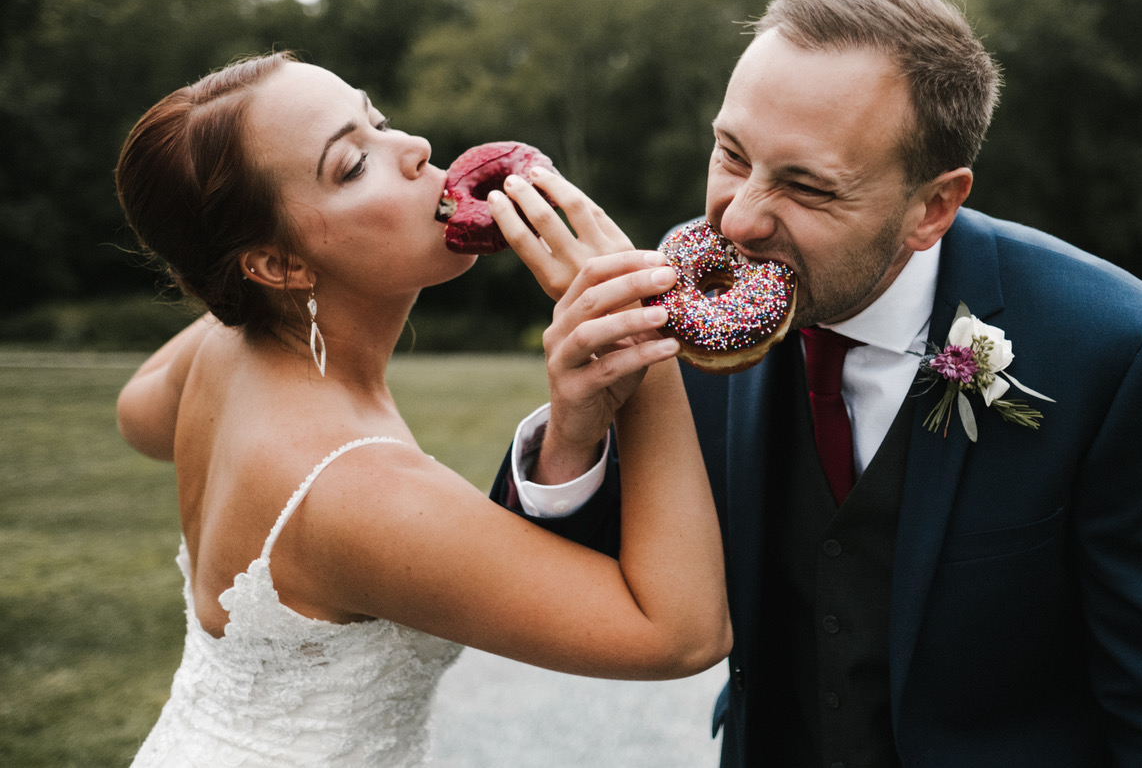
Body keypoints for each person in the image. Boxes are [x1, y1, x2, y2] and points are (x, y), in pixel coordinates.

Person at [490, 0, 1142, 766]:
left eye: (807, 186)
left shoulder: (1110, 346)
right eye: (730, 153)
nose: (739, 217)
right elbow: (559, 592)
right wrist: (574, 432)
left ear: (932, 208)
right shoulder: (676, 318)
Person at [113, 52, 731, 766]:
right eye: (352, 164)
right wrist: (638, 328)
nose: (415, 149)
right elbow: (680, 634)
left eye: (377, 120)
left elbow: (137, 416)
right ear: (279, 265)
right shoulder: (355, 490)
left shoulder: (223, 350)